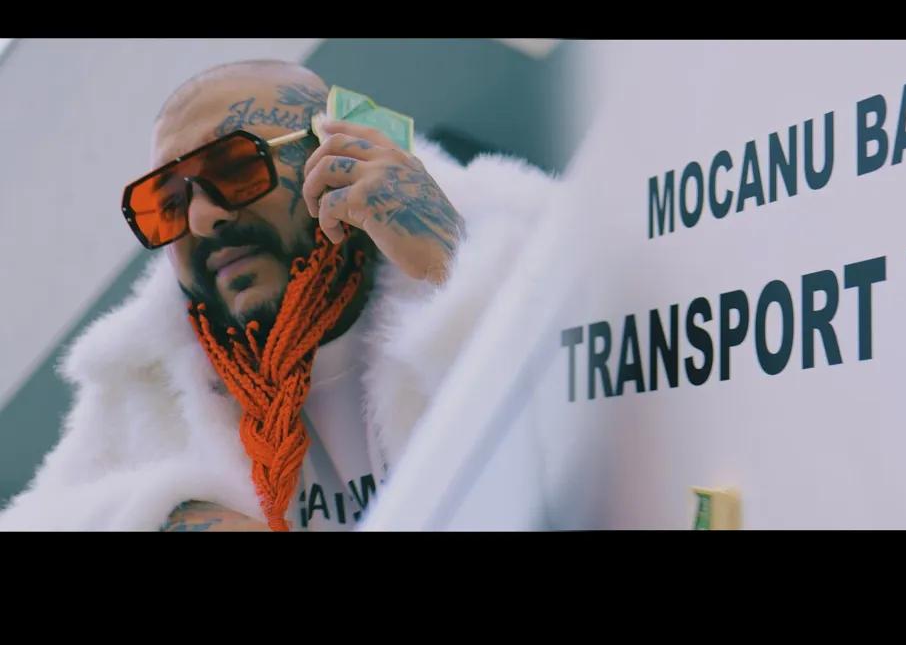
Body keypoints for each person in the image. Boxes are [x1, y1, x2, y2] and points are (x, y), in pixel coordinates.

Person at [0, 59, 559, 531]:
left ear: (338, 148)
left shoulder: (528, 244)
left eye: (235, 167)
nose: (203, 217)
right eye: (168, 203)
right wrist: (166, 517)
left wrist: (452, 258)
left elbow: (592, 412)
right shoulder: (144, 390)